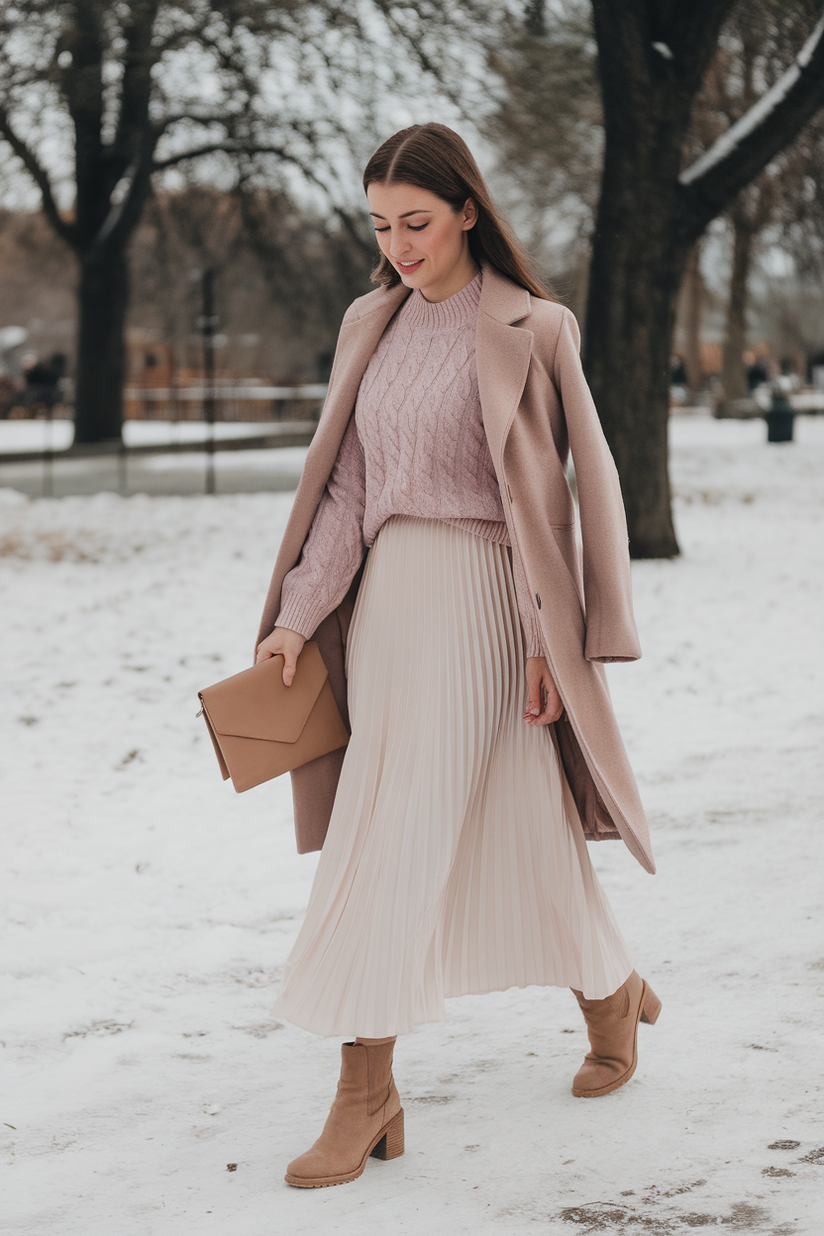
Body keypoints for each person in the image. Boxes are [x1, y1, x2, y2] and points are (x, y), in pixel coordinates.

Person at [255, 123, 659, 1190]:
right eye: (381, 225)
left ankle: (364, 1091)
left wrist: (551, 644)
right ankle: (609, 987)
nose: (398, 246)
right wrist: (298, 616)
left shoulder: (533, 326)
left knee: (386, 841)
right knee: (513, 823)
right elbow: (345, 492)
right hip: (387, 612)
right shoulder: (366, 322)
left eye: (417, 223)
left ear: (469, 210)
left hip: (490, 605)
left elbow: (565, 501)